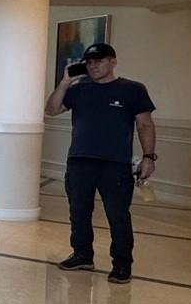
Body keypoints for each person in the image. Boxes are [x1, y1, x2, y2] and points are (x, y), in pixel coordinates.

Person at [43, 42, 156, 283]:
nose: (93, 66)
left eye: (99, 61)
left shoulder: (133, 89)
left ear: (113, 62)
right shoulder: (79, 90)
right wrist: (65, 82)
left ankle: (122, 264)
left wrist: (149, 157)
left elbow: (145, 124)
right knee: (79, 213)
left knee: (118, 216)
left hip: (115, 164)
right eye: (90, 62)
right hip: (79, 162)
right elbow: (51, 110)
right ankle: (82, 254)